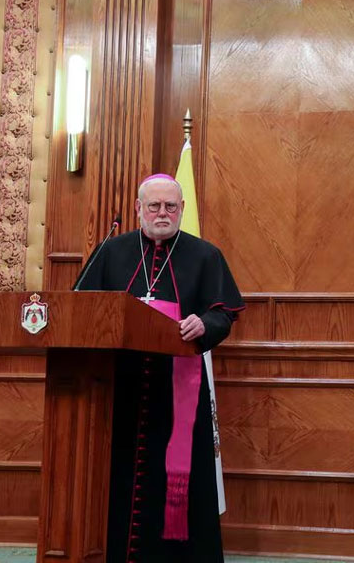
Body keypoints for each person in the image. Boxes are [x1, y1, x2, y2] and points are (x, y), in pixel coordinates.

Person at [78, 174, 244, 563]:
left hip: (178, 393)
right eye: (154, 206)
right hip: (120, 391)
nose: (162, 213)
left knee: (180, 484)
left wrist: (204, 324)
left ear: (182, 209)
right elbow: (82, 306)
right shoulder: (110, 251)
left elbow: (223, 314)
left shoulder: (205, 256)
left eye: (170, 206)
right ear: (139, 208)